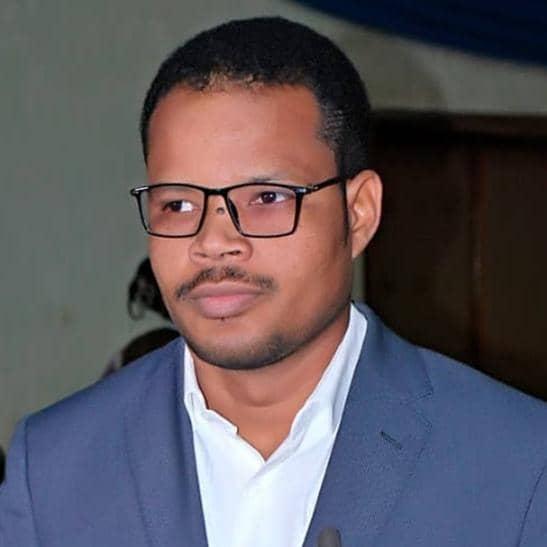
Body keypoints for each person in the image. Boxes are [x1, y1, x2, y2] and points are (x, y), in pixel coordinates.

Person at [1, 17, 546, 547]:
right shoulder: (53, 467)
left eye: (266, 198)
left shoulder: (517, 465)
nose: (214, 241)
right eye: (178, 204)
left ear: (358, 213)